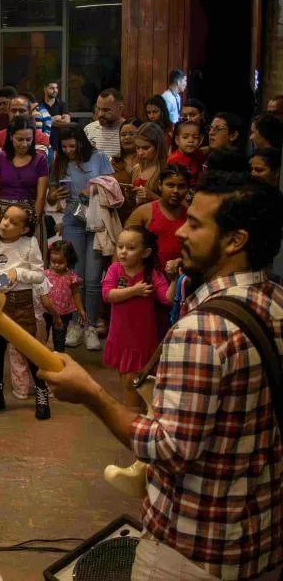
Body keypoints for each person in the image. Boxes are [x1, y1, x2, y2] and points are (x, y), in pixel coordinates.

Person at [42, 172, 283, 581]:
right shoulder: (275, 300)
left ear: (235, 240)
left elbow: (169, 449)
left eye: (196, 223)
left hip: (192, 549)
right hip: (258, 536)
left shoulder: (204, 329)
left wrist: (92, 395)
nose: (181, 232)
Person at [0, 203, 51, 420]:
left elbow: (39, 275)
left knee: (28, 349)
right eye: (5, 217)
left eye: (13, 221)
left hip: (22, 302)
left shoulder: (29, 243)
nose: (6, 223)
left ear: (25, 229)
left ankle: (42, 394)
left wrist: (16, 273)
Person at [47, 125, 114, 351]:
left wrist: (94, 190)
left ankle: (91, 326)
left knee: (93, 277)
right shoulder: (60, 162)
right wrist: (54, 195)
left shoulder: (99, 157)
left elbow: (113, 187)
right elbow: (51, 193)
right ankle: (75, 324)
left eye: (72, 146)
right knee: (74, 276)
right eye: (63, 146)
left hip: (95, 216)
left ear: (81, 143)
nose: (68, 150)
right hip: (72, 216)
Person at [101, 226, 171, 410]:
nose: (123, 252)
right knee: (126, 380)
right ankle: (135, 414)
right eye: (120, 246)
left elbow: (167, 299)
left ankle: (133, 420)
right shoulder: (115, 270)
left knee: (134, 384)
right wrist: (134, 290)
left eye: (131, 248)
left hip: (140, 343)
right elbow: (107, 295)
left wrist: (176, 278)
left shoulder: (152, 275)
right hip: (119, 339)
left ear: (146, 252)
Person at [126, 165, 190, 275]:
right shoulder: (143, 212)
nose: (176, 191)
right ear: (160, 185)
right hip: (147, 280)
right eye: (170, 185)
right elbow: (124, 246)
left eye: (181, 186)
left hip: (181, 279)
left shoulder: (191, 215)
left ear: (188, 188)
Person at [0, 117, 48, 232]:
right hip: (4, 215)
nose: (25, 144)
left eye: (29, 139)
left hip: (29, 215)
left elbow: (41, 197)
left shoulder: (40, 160)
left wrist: (32, 225)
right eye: (20, 139)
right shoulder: (0, 158)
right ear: (11, 137)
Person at [44, 240, 85, 352]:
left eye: (60, 262)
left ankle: (60, 361)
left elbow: (76, 294)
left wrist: (81, 310)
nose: (56, 265)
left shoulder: (71, 277)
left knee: (60, 339)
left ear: (69, 260)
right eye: (53, 261)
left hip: (64, 313)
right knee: (42, 337)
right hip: (46, 312)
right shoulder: (45, 275)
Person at [129, 122, 169, 207]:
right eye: (137, 148)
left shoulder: (165, 171)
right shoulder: (136, 168)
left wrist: (153, 197)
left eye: (146, 148)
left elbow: (174, 206)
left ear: (158, 147)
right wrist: (130, 195)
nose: (140, 153)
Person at [84, 88, 125, 159]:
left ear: (120, 109)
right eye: (98, 109)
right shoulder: (89, 129)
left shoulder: (128, 131)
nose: (100, 114)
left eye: (106, 110)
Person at [167, 121, 206, 189]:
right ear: (177, 140)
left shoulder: (199, 154)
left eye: (195, 137)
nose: (191, 140)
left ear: (200, 140)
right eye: (185, 137)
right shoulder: (174, 160)